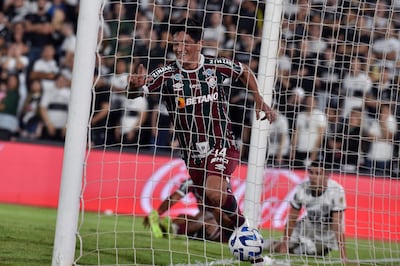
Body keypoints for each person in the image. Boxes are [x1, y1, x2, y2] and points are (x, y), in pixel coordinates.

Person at [129, 17, 276, 262]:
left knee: (215, 193)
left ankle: (248, 234)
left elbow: (244, 71)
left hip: (222, 146)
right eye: (175, 43)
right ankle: (251, 251)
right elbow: (137, 92)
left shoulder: (215, 66)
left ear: (199, 43)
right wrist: (134, 86)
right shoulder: (166, 74)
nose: (178, 48)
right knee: (217, 211)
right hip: (192, 155)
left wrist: (258, 98)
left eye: (185, 42)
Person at [264, 161, 348, 262]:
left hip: (325, 237)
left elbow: (337, 224)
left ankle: (307, 248)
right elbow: (292, 218)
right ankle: (266, 243)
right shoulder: (302, 188)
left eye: (317, 173)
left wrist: (344, 256)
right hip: (306, 228)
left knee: (303, 252)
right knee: (280, 248)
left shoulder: (336, 190)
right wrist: (285, 243)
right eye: (311, 172)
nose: (312, 177)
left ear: (326, 176)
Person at [143, 178, 230, 243]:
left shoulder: (221, 183)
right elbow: (174, 198)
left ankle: (174, 229)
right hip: (200, 227)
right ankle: (169, 229)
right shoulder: (192, 181)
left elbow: (224, 213)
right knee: (183, 216)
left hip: (219, 229)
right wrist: (157, 213)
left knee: (206, 216)